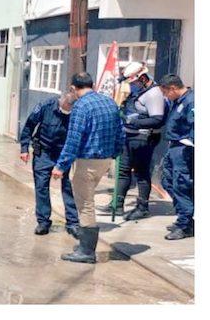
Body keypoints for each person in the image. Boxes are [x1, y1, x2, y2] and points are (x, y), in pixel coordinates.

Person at [52, 71, 125, 264]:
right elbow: (120, 132)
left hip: (86, 162)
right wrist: (115, 153)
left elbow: (73, 139)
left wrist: (61, 166)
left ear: (73, 88)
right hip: (105, 160)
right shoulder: (110, 102)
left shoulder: (81, 106)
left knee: (85, 204)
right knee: (88, 201)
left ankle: (87, 251)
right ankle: (85, 245)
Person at [18, 90, 80, 237]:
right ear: (61, 101)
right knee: (41, 186)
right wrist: (24, 148)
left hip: (64, 153)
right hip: (44, 152)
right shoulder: (46, 106)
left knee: (68, 187)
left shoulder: (76, 111)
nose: (67, 112)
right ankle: (43, 222)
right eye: (65, 108)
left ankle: (72, 223)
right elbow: (29, 125)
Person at [108, 62, 165, 220]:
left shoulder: (153, 93)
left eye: (133, 82)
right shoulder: (138, 91)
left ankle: (142, 207)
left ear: (143, 78)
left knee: (141, 172)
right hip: (129, 135)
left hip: (143, 138)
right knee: (123, 170)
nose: (132, 86)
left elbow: (157, 119)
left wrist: (135, 122)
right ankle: (117, 204)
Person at [159, 74, 194, 240]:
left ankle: (185, 224)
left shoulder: (190, 101)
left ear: (173, 88)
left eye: (166, 92)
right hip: (174, 146)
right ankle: (184, 215)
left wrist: (191, 145)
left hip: (184, 148)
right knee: (167, 181)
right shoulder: (178, 101)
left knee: (181, 184)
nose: (165, 96)